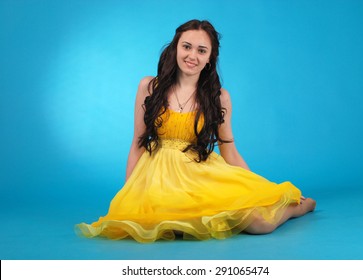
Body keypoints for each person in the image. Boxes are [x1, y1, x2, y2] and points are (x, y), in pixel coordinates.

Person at [76, 19, 316, 243]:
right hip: (158, 179)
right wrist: (128, 193)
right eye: (187, 47)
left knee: (260, 223)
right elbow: (137, 143)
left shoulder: (219, 98)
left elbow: (230, 153)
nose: (192, 56)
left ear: (210, 58)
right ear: (175, 49)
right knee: (171, 226)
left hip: (200, 174)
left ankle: (299, 207)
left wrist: (261, 193)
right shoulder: (149, 87)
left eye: (201, 50)